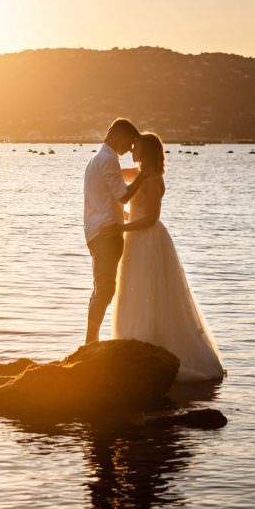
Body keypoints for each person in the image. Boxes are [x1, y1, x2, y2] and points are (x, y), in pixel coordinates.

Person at [108, 133, 224, 382]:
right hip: (136, 239)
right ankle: (134, 345)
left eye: (136, 146)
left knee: (148, 291)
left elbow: (150, 218)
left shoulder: (153, 180)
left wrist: (122, 227)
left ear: (146, 151)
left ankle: (150, 349)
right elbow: (115, 173)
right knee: (133, 290)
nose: (131, 150)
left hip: (147, 240)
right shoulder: (142, 175)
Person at [83, 118, 148, 344]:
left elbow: (116, 181)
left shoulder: (98, 158)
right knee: (105, 289)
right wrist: (144, 175)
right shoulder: (108, 159)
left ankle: (91, 340)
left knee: (103, 287)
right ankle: (91, 341)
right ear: (118, 136)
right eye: (130, 143)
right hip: (106, 233)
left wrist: (141, 169)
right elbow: (123, 195)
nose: (130, 149)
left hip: (96, 230)